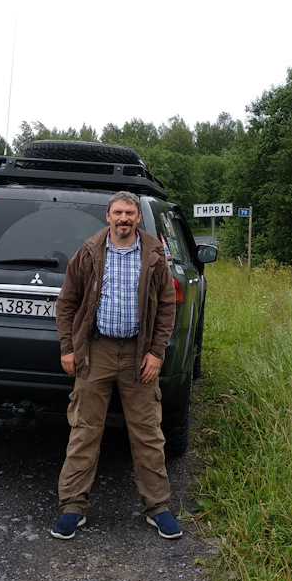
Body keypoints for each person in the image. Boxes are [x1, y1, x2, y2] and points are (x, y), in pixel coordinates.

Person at [51, 190, 181, 540]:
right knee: (84, 430)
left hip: (139, 355)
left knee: (148, 433)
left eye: (130, 213)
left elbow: (167, 307)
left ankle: (158, 508)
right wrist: (68, 348)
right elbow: (67, 302)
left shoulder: (154, 254)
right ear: (108, 216)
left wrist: (156, 352)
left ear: (138, 217)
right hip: (96, 351)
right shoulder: (89, 252)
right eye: (118, 212)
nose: (124, 218)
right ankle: (73, 508)